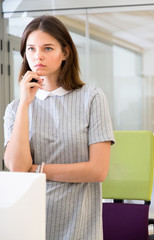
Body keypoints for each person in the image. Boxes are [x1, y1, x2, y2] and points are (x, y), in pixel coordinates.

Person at [3, 15, 114, 240]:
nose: (38, 56)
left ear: (65, 53)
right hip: (30, 220)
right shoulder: (16, 108)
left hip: (79, 223)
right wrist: (25, 103)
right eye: (31, 49)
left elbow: (98, 170)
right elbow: (17, 167)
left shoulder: (91, 98)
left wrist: (37, 169)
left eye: (47, 48)